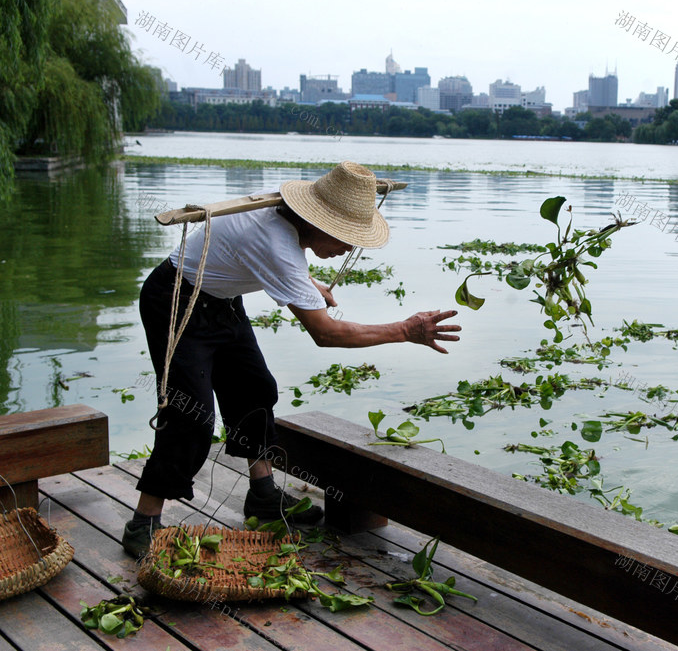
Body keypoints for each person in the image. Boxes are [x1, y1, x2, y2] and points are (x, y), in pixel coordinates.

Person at [122, 161, 460, 558]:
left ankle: (263, 495)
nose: (348, 248)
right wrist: (406, 330)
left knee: (254, 388)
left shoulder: (284, 215)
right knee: (191, 416)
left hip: (222, 300)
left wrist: (307, 285)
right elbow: (326, 333)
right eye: (344, 237)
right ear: (316, 222)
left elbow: (267, 259)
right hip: (178, 301)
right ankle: (143, 523)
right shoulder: (274, 242)